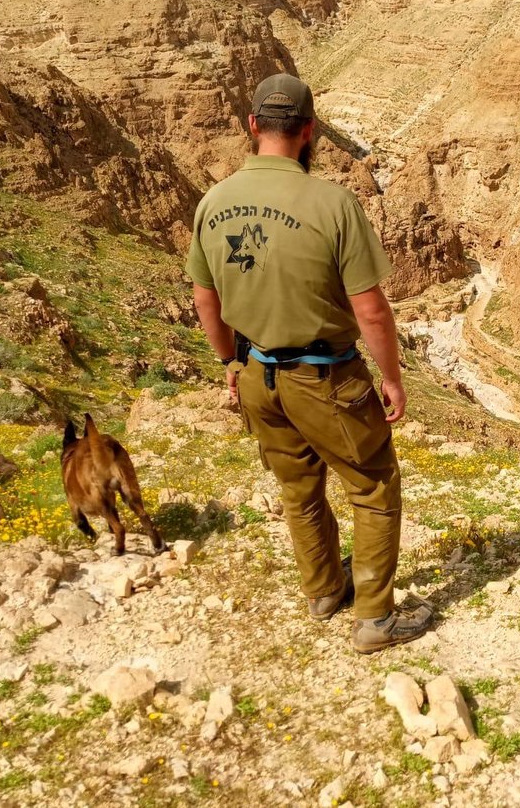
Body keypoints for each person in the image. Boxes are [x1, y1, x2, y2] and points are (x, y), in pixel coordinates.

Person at [185, 73, 433, 654]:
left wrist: (229, 360)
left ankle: (323, 591)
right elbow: (370, 309)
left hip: (255, 372)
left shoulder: (213, 202)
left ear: (252, 126)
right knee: (373, 486)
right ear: (309, 132)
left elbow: (205, 299)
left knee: (298, 488)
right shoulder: (332, 203)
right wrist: (392, 378)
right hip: (325, 376)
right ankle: (375, 619)